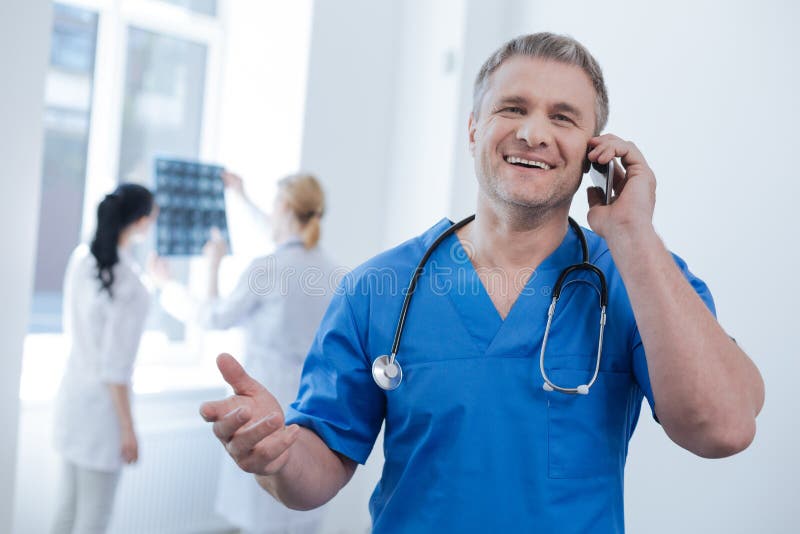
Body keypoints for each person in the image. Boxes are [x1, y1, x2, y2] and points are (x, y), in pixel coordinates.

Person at [199, 33, 765, 533]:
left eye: (563, 118)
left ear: (596, 151)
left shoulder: (636, 277)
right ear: (474, 130)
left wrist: (634, 233)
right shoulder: (377, 287)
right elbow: (315, 475)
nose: (533, 132)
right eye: (512, 107)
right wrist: (276, 456)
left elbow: (723, 428)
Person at [157, 173, 338, 534]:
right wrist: (241, 196)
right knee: (300, 510)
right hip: (315, 411)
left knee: (265, 512)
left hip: (267, 408)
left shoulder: (268, 269)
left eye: (273, 206)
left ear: (284, 208)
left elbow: (213, 317)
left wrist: (174, 282)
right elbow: (282, 234)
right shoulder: (331, 272)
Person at [51, 183, 157, 534]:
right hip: (101, 416)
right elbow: (115, 368)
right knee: (93, 521)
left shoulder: (81, 259)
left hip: (72, 398)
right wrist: (128, 429)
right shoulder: (132, 286)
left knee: (66, 511)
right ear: (141, 221)